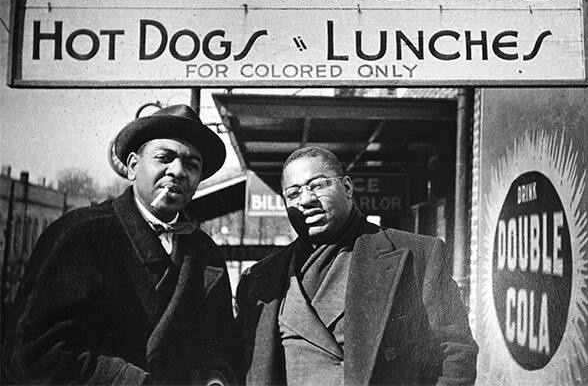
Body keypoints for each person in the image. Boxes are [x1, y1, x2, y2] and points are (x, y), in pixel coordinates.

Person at [2, 104, 235, 385]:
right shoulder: (81, 235)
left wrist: (216, 379)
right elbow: (32, 353)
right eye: (164, 157)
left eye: (191, 164)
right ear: (134, 166)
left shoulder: (206, 254)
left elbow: (222, 346)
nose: (178, 171)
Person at [233, 146, 478, 385]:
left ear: (347, 187)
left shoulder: (416, 255)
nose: (306, 199)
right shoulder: (259, 278)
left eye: (317, 185)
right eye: (294, 193)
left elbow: (456, 353)